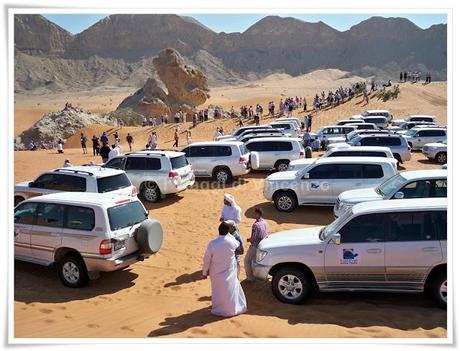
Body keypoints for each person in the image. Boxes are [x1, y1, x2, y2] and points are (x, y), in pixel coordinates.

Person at [202, 222, 247, 317]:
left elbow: (206, 259)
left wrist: (204, 272)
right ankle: (232, 309)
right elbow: (237, 244)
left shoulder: (212, 244)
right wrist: (229, 235)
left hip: (216, 273)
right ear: (228, 232)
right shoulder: (231, 241)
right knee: (230, 291)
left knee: (218, 292)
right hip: (229, 272)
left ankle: (219, 310)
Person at [244, 207, 268, 282]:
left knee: (247, 261)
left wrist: (249, 240)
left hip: (255, 246)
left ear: (257, 214)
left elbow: (253, 238)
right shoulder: (265, 222)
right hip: (263, 245)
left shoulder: (255, 225)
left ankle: (250, 278)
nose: (253, 214)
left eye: (254, 213)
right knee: (255, 261)